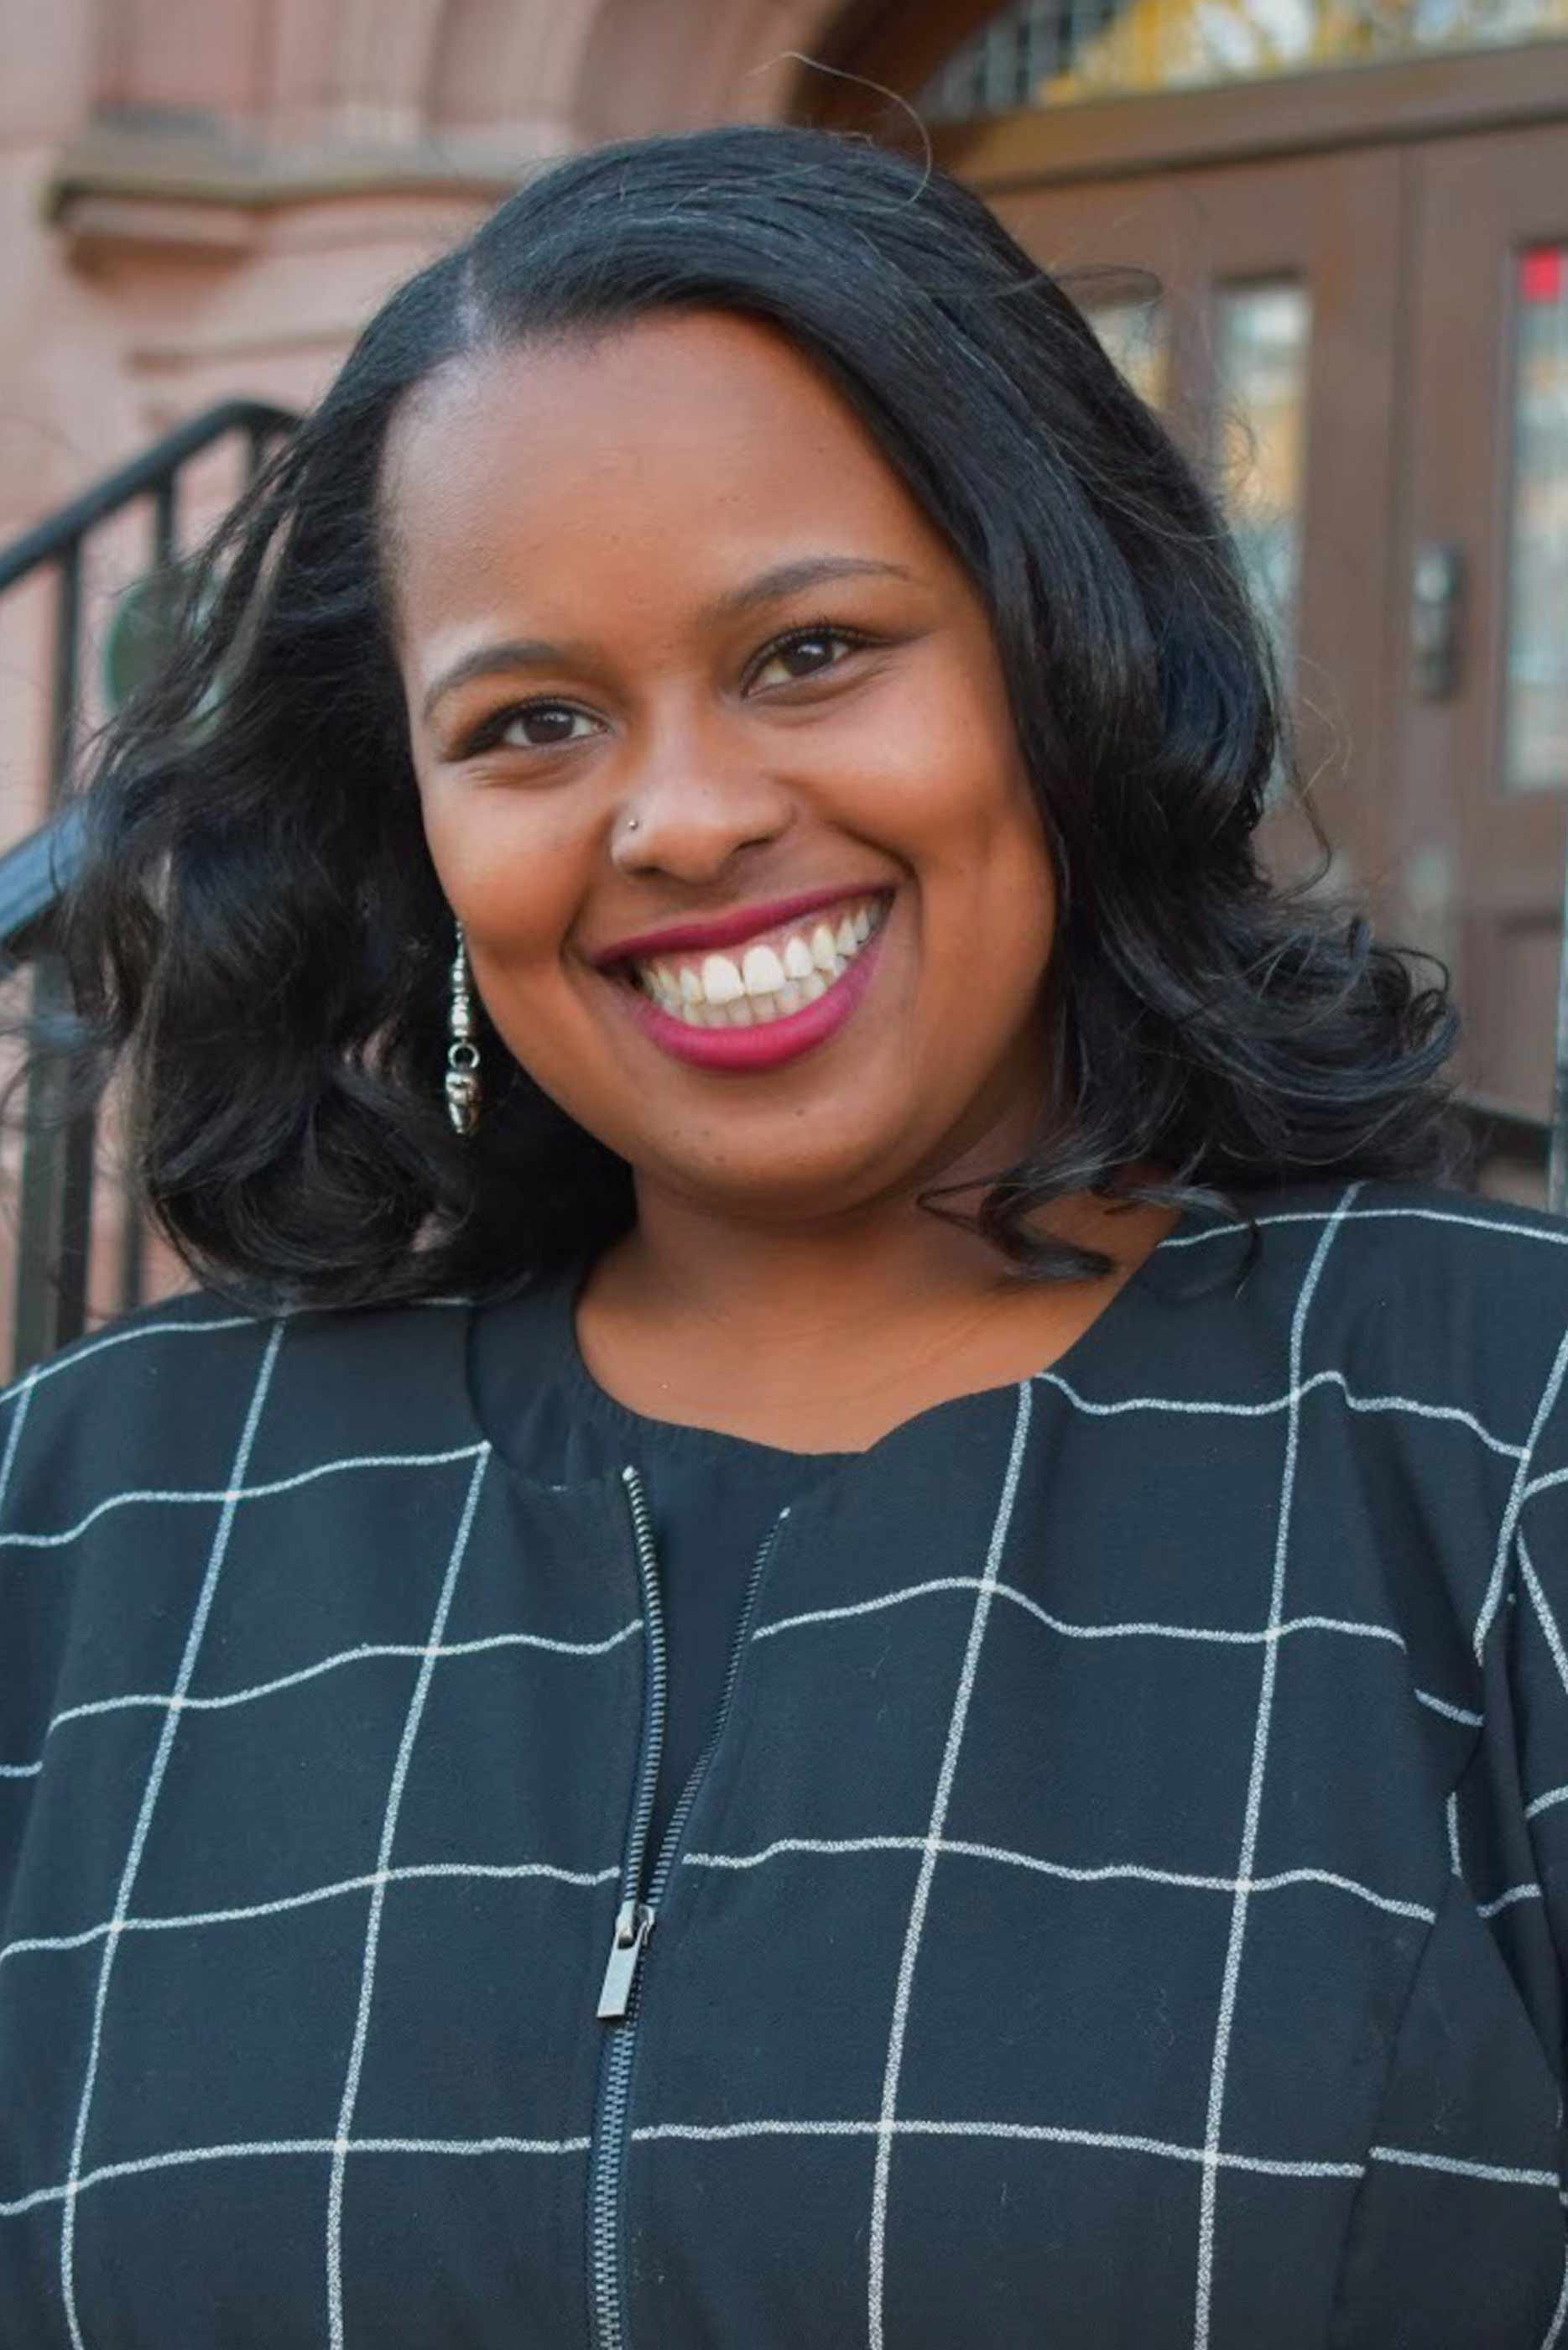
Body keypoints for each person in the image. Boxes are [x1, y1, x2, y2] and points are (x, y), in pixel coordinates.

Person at [0, 119, 1563, 2350]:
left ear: (1067, 659)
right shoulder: (97, 1518)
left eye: (813, 649)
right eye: (532, 721)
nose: (687, 812)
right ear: (419, 821)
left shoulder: (1501, 1445)